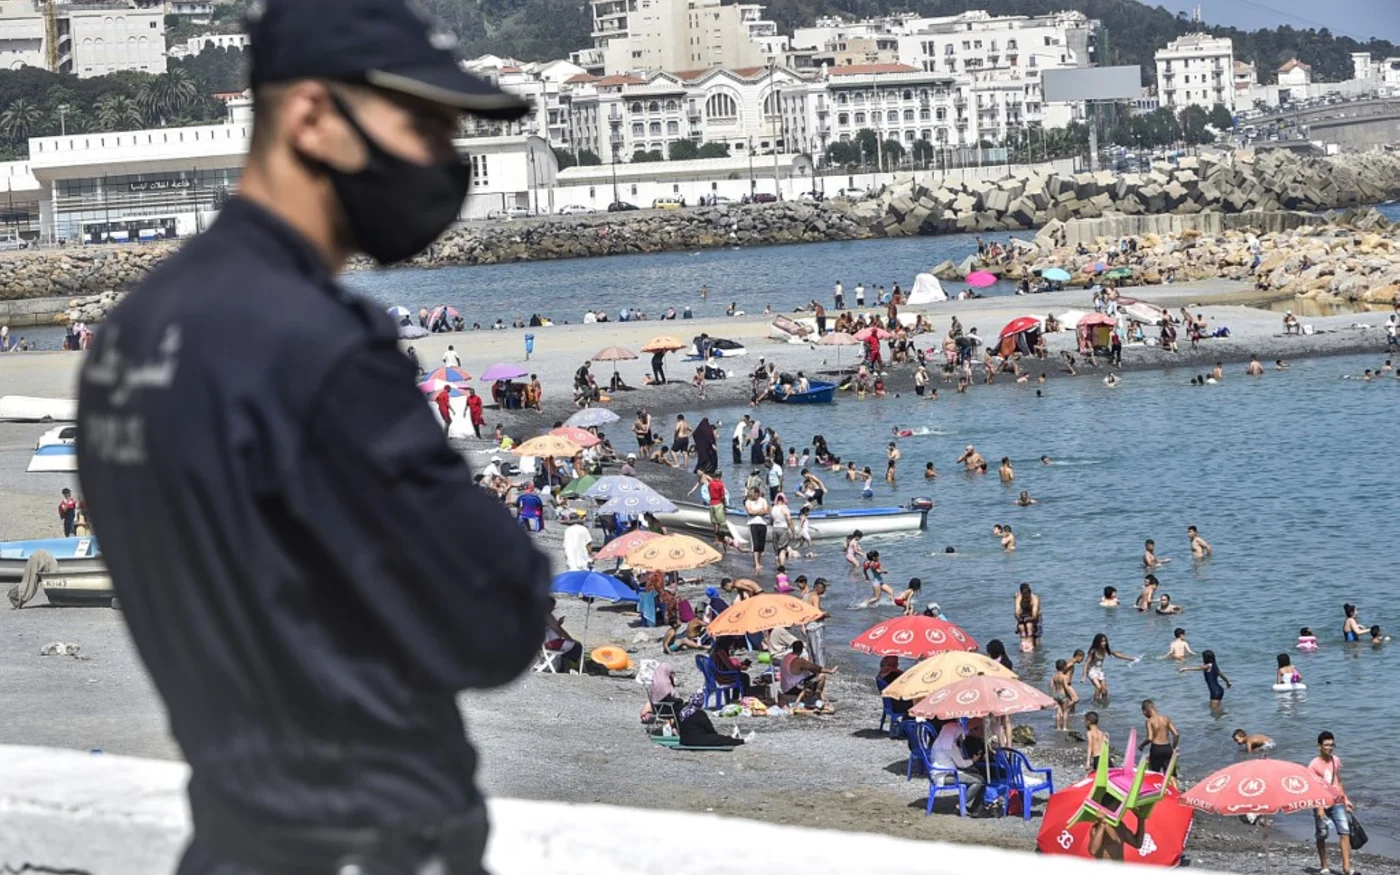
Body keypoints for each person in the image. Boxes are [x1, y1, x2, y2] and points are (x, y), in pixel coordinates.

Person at [74, 7, 554, 868]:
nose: (445, 162)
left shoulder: (133, 333)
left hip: (230, 829)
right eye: (421, 125)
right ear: (310, 118)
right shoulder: (313, 341)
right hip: (367, 841)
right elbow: (490, 618)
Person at [1311, 731, 1355, 875]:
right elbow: (1314, 788)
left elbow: (1338, 780)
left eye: (1332, 745)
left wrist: (1346, 798)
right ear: (1319, 746)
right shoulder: (1314, 765)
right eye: (1326, 745)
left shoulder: (1335, 760)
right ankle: (1324, 865)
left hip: (1337, 801)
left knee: (1344, 831)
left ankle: (1346, 867)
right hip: (1321, 802)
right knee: (1322, 834)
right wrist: (1319, 808)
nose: (1329, 748)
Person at [929, 720, 986, 812]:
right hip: (946, 776)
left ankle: (968, 803)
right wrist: (973, 760)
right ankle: (962, 804)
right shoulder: (951, 746)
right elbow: (962, 764)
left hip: (937, 774)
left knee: (975, 777)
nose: (960, 736)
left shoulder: (938, 742)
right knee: (979, 780)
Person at [779, 640, 835, 711]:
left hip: (784, 688)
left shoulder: (787, 657)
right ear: (802, 649)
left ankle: (817, 695)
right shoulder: (798, 661)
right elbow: (816, 668)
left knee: (812, 678)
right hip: (792, 689)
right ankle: (816, 697)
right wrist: (830, 671)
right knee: (821, 676)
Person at [1083, 633, 1134, 701]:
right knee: (1098, 687)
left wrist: (1130, 658)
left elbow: (1117, 654)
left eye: (1105, 641)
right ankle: (1095, 704)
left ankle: (1104, 705)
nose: (1104, 643)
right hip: (1091, 670)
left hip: (1099, 671)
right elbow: (1086, 663)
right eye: (1102, 641)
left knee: (1105, 691)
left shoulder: (1106, 650)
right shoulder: (1093, 651)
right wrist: (1084, 675)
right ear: (1097, 642)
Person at [1138, 699, 1179, 774]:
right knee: (1171, 776)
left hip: (1156, 749)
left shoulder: (1149, 721)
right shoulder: (1166, 719)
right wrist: (1174, 747)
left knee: (1154, 774)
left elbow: (1150, 738)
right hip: (1167, 748)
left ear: (1145, 711)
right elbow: (1176, 734)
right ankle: (1175, 786)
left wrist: (1141, 745)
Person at [544, 597, 585, 670]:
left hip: (545, 642)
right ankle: (574, 666)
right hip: (551, 643)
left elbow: (552, 628)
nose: (553, 609)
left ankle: (567, 665)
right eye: (553, 607)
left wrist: (558, 624)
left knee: (574, 645)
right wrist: (570, 639)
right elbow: (558, 630)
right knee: (577, 646)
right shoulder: (548, 616)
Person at [743, 487, 770, 573]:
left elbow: (766, 510)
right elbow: (750, 512)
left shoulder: (763, 500)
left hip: (762, 524)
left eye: (753, 493)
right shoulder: (748, 502)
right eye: (751, 493)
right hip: (753, 524)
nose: (751, 495)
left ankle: (759, 561)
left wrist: (757, 511)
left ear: (757, 493)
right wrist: (760, 511)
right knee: (755, 544)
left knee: (761, 545)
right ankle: (756, 563)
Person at [1051, 658, 1078, 731]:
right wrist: (1072, 696)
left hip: (1056, 694)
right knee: (1065, 711)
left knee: (1057, 712)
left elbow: (1051, 686)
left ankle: (1058, 727)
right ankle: (1065, 727)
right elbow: (1066, 687)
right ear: (1064, 667)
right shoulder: (1064, 676)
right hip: (1063, 695)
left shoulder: (1054, 676)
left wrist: (1051, 695)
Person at [1014, 582, 1041, 648]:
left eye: (1027, 597)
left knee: (1035, 636)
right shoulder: (1019, 598)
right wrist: (1019, 619)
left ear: (1029, 594)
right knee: (1021, 627)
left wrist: (1028, 619)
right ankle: (1023, 644)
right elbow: (1016, 611)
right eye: (1024, 596)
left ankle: (1035, 649)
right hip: (1024, 615)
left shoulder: (1035, 599)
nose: (1025, 598)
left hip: (1036, 617)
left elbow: (1035, 615)